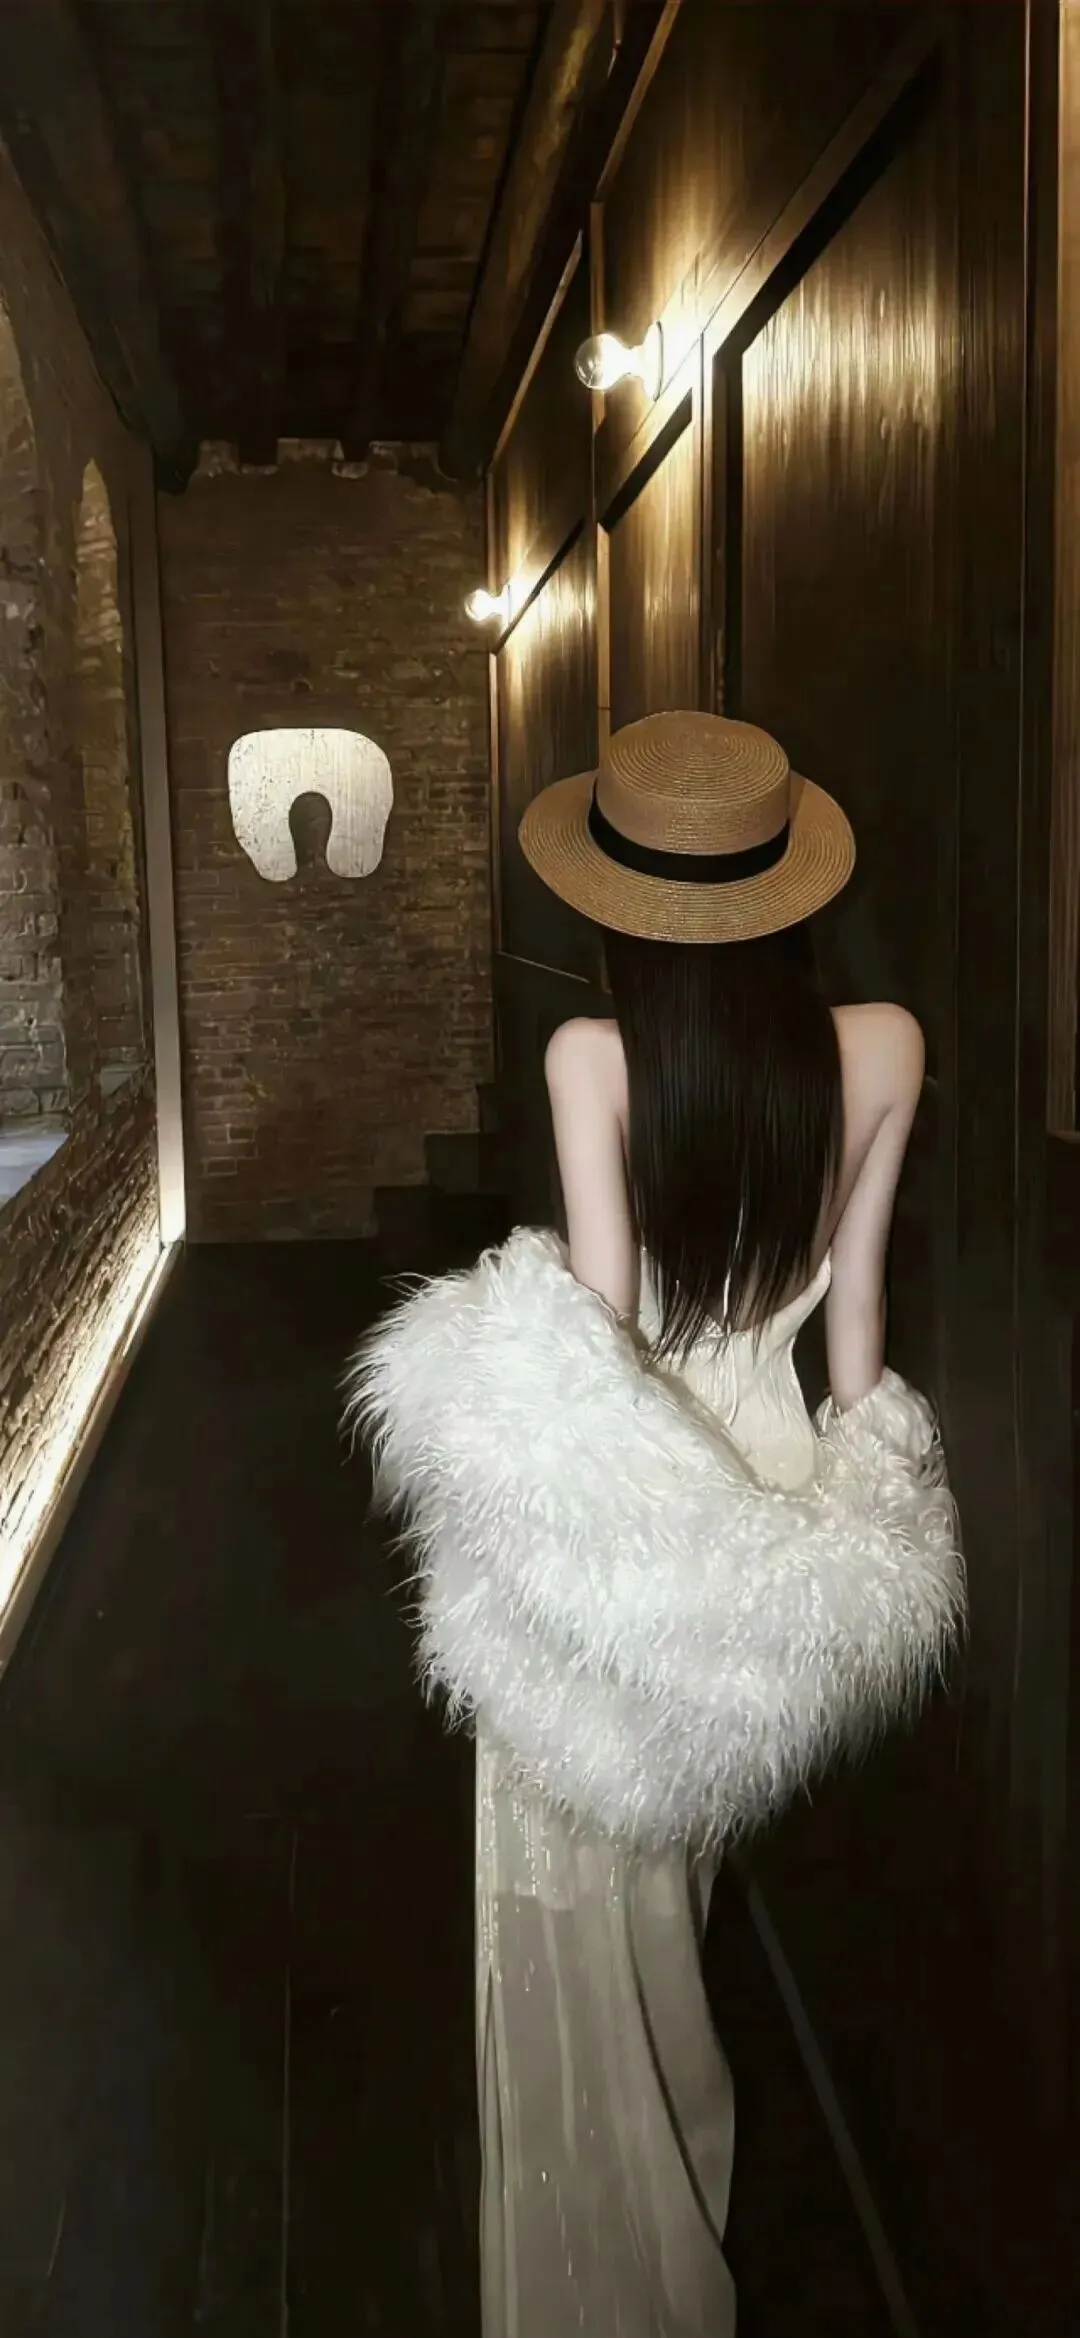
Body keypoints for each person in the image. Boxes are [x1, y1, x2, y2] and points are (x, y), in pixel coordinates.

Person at [348, 710, 963, 2338]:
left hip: (629, 1534)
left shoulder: (591, 1057)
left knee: (568, 1912)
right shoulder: (887, 1046)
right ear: (786, 886)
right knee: (678, 1895)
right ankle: (685, 2221)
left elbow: (605, 1335)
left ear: (622, 908)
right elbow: (856, 1338)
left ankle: (609, 2283)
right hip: (766, 1523)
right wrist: (863, 1507)